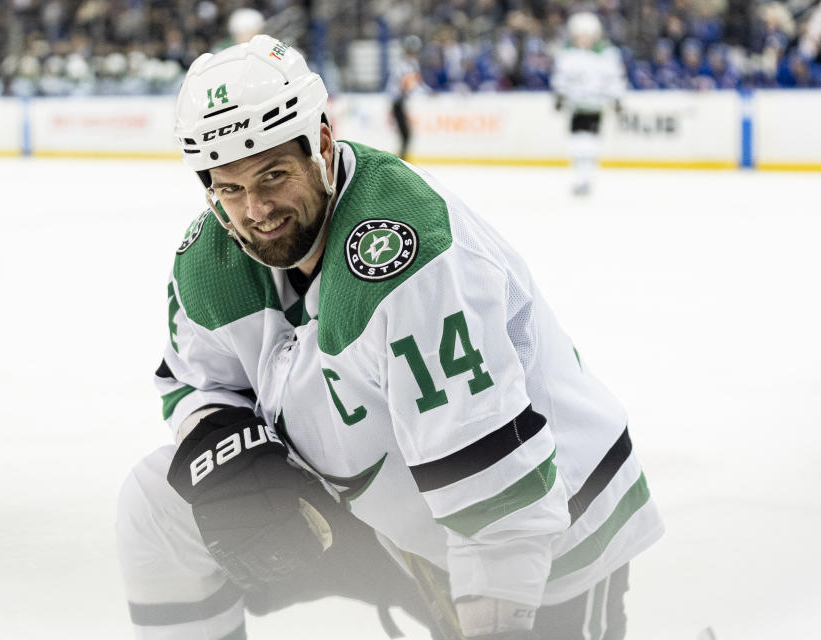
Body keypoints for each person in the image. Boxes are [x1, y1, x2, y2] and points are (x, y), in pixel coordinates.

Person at [116, 35, 663, 640]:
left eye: (273, 175)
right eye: (230, 188)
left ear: (321, 145)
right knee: (159, 503)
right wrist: (227, 450)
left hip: (552, 523)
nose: (256, 210)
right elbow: (195, 384)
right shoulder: (210, 261)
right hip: (383, 507)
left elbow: (502, 509)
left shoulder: (409, 262)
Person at [551, 12, 627, 195]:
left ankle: (586, 179)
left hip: (594, 105)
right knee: (576, 143)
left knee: (589, 143)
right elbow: (560, 78)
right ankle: (580, 178)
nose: (582, 39)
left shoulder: (606, 54)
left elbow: (614, 78)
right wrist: (560, 95)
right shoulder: (567, 54)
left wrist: (616, 98)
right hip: (576, 105)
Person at [387, 34, 425, 159]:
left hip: (400, 102)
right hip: (397, 102)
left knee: (406, 135)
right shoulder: (404, 65)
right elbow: (407, 84)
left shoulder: (409, 64)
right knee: (406, 135)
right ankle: (401, 161)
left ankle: (402, 159)